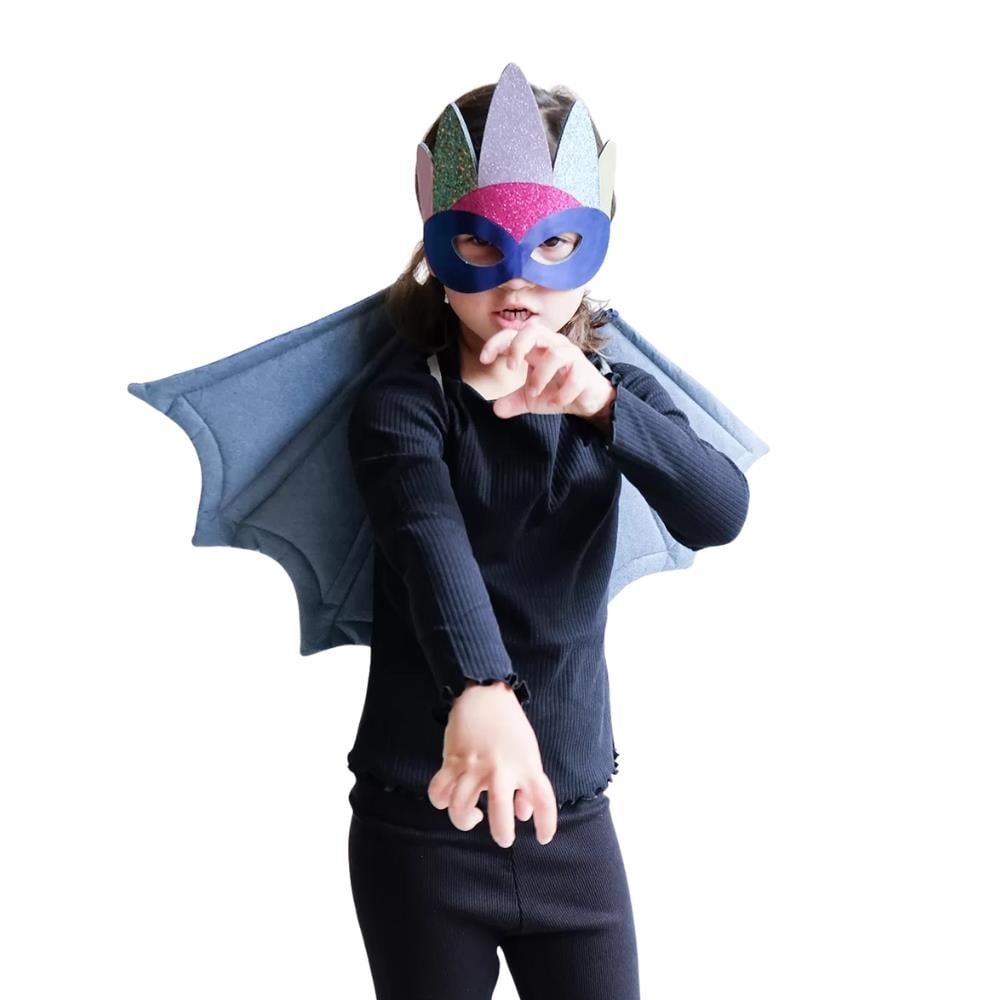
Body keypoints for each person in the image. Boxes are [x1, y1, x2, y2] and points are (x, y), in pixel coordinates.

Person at [344, 63, 750, 1000]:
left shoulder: (615, 393)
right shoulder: (405, 403)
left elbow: (718, 511)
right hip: (423, 825)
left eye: (555, 241)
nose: (520, 275)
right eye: (480, 243)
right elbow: (427, 541)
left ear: (594, 241)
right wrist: (481, 690)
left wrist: (604, 407)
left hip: (572, 819)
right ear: (436, 242)